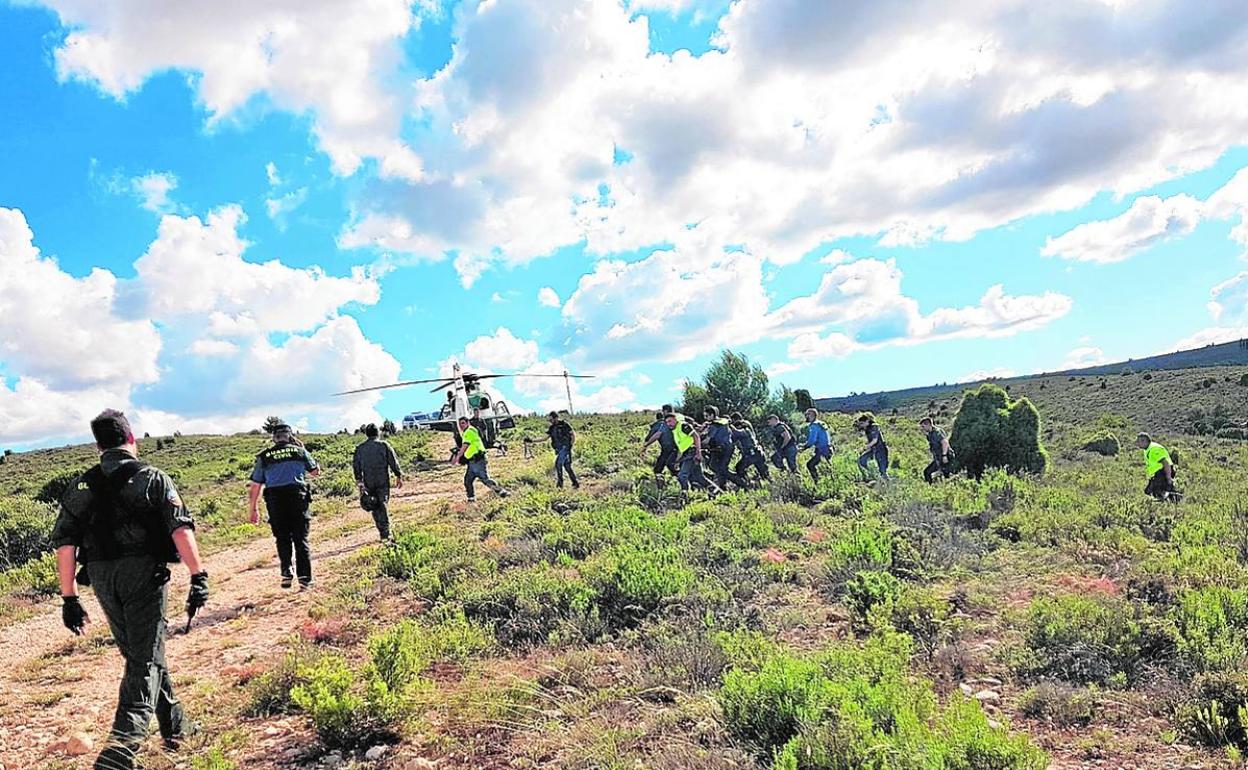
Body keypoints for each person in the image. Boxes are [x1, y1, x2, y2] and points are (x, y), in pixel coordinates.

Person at [50, 410, 208, 770]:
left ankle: (176, 727)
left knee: (142, 654)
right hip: (142, 574)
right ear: (131, 437)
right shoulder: (152, 477)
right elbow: (180, 530)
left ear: (98, 446)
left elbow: (66, 546)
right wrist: (199, 575)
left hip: (103, 577)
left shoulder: (80, 486)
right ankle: (120, 751)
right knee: (145, 658)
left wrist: (69, 597)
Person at [249, 422, 320, 589]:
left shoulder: (264, 456)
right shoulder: (300, 451)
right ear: (291, 436)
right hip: (297, 498)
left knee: (282, 537)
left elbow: (256, 484)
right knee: (300, 538)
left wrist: (253, 508)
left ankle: (287, 571)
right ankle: (305, 579)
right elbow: (315, 472)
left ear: (274, 438)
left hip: (275, 500)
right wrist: (303, 449)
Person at [352, 423, 403, 541]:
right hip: (382, 480)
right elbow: (393, 461)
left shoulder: (360, 448)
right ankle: (386, 534)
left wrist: (359, 481)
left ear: (366, 434)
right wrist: (398, 475)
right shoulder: (384, 445)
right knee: (383, 504)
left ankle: (382, 531)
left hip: (368, 481)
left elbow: (356, 466)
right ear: (378, 433)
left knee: (374, 505)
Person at [453, 416, 509, 501]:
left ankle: (501, 491)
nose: (461, 426)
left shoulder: (469, 432)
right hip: (472, 462)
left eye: (463, 423)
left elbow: (465, 445)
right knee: (468, 480)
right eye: (460, 424)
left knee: (485, 480)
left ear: (468, 423)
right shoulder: (467, 432)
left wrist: (458, 457)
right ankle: (471, 499)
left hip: (478, 461)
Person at [667, 412, 718, 494]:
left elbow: (696, 436)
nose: (668, 424)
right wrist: (677, 460)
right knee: (699, 477)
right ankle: (715, 490)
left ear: (675, 420)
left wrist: (698, 453)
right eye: (667, 422)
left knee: (682, 476)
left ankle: (684, 495)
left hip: (692, 451)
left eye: (670, 421)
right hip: (687, 453)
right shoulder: (675, 431)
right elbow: (682, 447)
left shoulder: (683, 426)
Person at [702, 406, 746, 490]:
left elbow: (707, 440)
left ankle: (742, 483)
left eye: (706, 416)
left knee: (721, 469)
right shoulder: (723, 422)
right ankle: (723, 485)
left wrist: (697, 445)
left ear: (712, 415)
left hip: (723, 449)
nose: (705, 418)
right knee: (714, 466)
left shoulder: (714, 425)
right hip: (725, 448)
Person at [730, 413, 771, 487]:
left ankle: (748, 483)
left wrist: (730, 425)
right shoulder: (746, 430)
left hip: (752, 454)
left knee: (739, 467)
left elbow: (736, 433)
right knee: (763, 471)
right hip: (757, 453)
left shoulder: (745, 430)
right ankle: (759, 483)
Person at [1137, 432, 1178, 501]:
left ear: (1145, 441)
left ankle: (1175, 501)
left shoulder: (1154, 449)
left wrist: (1168, 478)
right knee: (1148, 492)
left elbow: (1165, 463)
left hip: (1164, 472)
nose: (1137, 443)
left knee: (1158, 492)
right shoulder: (1147, 449)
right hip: (1158, 474)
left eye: (1139, 441)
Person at [547, 411, 579, 489]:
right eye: (549, 420)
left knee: (558, 464)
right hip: (559, 449)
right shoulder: (552, 428)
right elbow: (545, 438)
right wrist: (531, 441)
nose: (551, 422)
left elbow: (573, 435)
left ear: (556, 418)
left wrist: (570, 446)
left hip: (565, 448)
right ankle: (575, 483)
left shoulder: (564, 425)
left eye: (551, 420)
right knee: (567, 466)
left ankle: (560, 485)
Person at [641, 412, 678, 478]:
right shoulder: (669, 423)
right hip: (677, 446)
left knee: (664, 466)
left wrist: (645, 445)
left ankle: (662, 478)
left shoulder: (658, 425)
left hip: (668, 448)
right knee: (666, 463)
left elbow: (652, 436)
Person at [800, 408, 833, 482]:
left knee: (810, 465)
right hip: (828, 448)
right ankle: (831, 482)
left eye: (807, 414)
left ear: (811, 415)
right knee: (828, 467)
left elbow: (812, 439)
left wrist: (805, 446)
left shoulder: (814, 425)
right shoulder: (821, 423)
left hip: (821, 450)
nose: (806, 416)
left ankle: (817, 482)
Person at [855, 413, 890, 481]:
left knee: (882, 470)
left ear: (867, 421)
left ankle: (887, 484)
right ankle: (871, 476)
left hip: (880, 450)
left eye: (862, 423)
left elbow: (874, 440)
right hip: (873, 449)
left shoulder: (874, 427)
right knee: (861, 460)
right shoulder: (867, 429)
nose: (861, 425)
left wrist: (864, 448)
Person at [920, 417, 953, 483]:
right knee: (927, 472)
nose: (922, 428)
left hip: (945, 456)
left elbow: (945, 443)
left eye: (923, 426)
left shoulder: (937, 432)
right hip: (939, 458)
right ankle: (932, 488)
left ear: (928, 425)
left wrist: (944, 456)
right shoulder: (929, 434)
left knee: (946, 475)